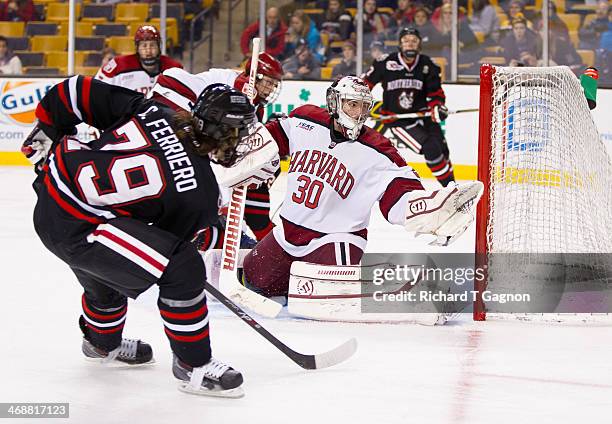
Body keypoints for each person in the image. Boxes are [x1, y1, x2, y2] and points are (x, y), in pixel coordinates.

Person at [21, 77, 277, 397]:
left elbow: (78, 91)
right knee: (182, 268)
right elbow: (169, 246)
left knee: (109, 279)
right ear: (220, 132)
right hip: (79, 223)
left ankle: (101, 344)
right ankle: (193, 364)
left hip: (58, 185)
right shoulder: (200, 190)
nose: (240, 143)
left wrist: (47, 127)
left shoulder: (156, 110)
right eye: (239, 133)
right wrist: (214, 233)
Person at [239, 75, 482, 298]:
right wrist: (247, 145)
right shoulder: (305, 119)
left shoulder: (378, 149)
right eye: (352, 104)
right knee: (251, 282)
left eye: (364, 107)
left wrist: (427, 208)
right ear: (334, 102)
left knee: (330, 297)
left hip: (336, 241)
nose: (359, 113)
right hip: (287, 234)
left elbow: (400, 191)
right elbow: (270, 140)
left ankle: (404, 286)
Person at [149, 52, 284, 245]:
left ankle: (226, 227)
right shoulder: (236, 86)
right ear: (257, 76)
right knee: (211, 173)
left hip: (190, 116)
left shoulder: (254, 105)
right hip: (175, 104)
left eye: (274, 84)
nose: (270, 88)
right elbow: (171, 79)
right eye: (268, 82)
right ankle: (215, 229)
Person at [364, 27, 455, 187]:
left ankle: (454, 188)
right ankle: (450, 189)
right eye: (406, 41)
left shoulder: (428, 65)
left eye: (414, 41)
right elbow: (365, 84)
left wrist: (437, 107)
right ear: (400, 44)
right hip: (397, 120)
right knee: (431, 149)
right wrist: (360, 103)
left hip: (424, 116)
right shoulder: (385, 62)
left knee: (442, 150)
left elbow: (435, 93)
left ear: (419, 44)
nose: (410, 44)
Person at [95, 25, 182, 95]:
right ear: (137, 48)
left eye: (152, 45)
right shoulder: (117, 66)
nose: (148, 51)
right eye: (144, 46)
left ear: (159, 47)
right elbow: (97, 92)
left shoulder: (175, 69)